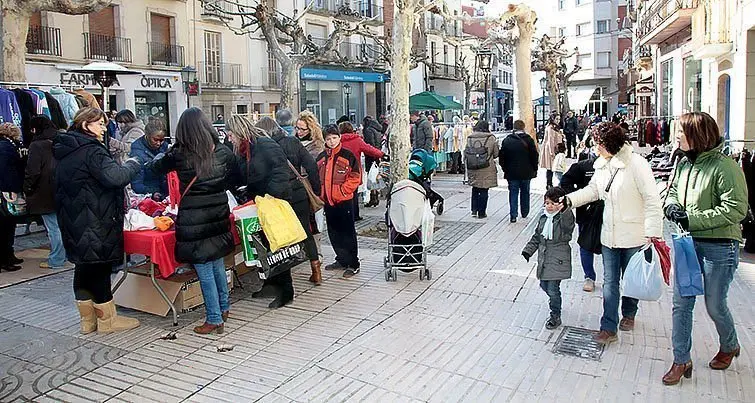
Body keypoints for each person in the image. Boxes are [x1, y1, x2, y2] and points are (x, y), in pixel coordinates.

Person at [662, 112, 747, 385]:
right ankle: (680, 359)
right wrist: (672, 206)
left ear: (698, 136)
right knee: (681, 303)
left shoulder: (726, 167)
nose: (676, 136)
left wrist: (692, 218)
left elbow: (736, 209)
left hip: (720, 247)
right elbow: (672, 191)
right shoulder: (683, 163)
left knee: (714, 304)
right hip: (688, 244)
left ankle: (730, 344)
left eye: (681, 133)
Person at [565, 122, 662, 344]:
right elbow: (593, 190)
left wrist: (652, 231)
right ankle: (608, 326)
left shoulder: (637, 164)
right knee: (610, 283)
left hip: (634, 235)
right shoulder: (602, 166)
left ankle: (629, 313)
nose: (595, 148)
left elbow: (652, 199)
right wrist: (569, 200)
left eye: (598, 144)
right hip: (609, 235)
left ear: (609, 143)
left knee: (630, 279)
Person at [54, 107, 141, 334]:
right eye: (100, 124)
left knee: (83, 269)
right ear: (86, 125)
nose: (104, 128)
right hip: (95, 219)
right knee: (100, 268)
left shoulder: (66, 149)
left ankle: (87, 321)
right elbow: (116, 177)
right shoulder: (92, 151)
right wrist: (133, 163)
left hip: (73, 219)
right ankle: (107, 321)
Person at [148, 108, 235, 333]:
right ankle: (224, 307)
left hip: (194, 220)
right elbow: (234, 176)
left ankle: (214, 318)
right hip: (218, 214)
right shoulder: (223, 151)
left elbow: (155, 169)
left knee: (204, 268)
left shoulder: (180, 154)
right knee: (216, 262)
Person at [226, 117, 297, 307]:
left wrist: (271, 197)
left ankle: (286, 290)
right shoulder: (243, 151)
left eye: (231, 135)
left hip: (273, 202)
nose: (230, 139)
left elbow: (281, 171)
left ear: (239, 131)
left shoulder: (264, 144)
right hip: (258, 203)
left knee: (278, 247)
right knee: (263, 247)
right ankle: (269, 284)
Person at [255, 116, 323, 285]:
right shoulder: (293, 141)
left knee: (280, 234)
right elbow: (311, 166)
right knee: (306, 232)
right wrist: (315, 190)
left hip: (279, 198)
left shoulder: (265, 147)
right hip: (298, 192)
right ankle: (316, 271)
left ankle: (285, 277)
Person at [522, 186, 575, 330]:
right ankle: (555, 303)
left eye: (553, 203)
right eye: (547, 203)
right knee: (544, 285)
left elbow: (568, 224)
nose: (550, 206)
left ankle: (555, 314)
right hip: (545, 258)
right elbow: (537, 236)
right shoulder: (544, 217)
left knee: (552, 289)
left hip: (558, 258)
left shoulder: (563, 218)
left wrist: (564, 209)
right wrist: (528, 251)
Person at [24, 115, 72, 270]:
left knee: (53, 227)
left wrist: (27, 188)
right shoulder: (62, 139)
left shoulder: (37, 145)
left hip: (45, 191)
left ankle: (56, 259)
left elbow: (33, 171)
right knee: (63, 225)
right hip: (64, 188)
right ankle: (65, 255)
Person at [317, 124, 362, 278]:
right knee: (334, 232)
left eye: (334, 138)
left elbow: (356, 176)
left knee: (347, 232)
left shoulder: (348, 155)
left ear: (339, 137)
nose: (331, 141)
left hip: (343, 201)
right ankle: (341, 259)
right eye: (328, 139)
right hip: (328, 201)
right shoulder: (321, 157)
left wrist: (343, 191)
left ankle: (353, 263)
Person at [559, 148, 599, 292]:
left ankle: (611, 279)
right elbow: (565, 181)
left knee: (610, 248)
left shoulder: (618, 167)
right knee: (585, 244)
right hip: (587, 214)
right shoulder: (584, 166)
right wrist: (576, 197)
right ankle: (589, 276)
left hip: (610, 215)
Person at [339, 121, 384, 221]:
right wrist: (382, 155)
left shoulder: (338, 141)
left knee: (342, 192)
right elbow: (370, 149)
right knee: (353, 194)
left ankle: (344, 214)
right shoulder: (357, 140)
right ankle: (355, 215)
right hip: (354, 170)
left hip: (340, 170)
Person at [499, 119, 538, 223]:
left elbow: (502, 157)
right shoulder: (529, 140)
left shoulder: (507, 140)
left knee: (513, 193)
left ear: (514, 128)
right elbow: (534, 155)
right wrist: (535, 168)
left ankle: (513, 215)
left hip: (511, 172)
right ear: (523, 127)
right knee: (525, 192)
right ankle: (525, 212)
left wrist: (505, 168)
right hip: (526, 172)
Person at [0, 123, 25, 272]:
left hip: (6, 189)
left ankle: (8, 255)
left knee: (7, 225)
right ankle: (6, 258)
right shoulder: (7, 147)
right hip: (6, 191)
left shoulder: (8, 146)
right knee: (7, 225)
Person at [466, 120, 499, 219]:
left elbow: (466, 151)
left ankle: (474, 210)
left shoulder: (470, 138)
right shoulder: (491, 138)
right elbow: (496, 154)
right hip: (486, 167)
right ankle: (482, 212)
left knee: (475, 187)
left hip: (472, 166)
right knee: (484, 189)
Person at [129, 120, 168, 195]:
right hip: (149, 193)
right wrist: (153, 193)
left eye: (162, 140)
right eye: (155, 140)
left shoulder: (165, 147)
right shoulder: (137, 153)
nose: (159, 143)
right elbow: (136, 184)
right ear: (147, 135)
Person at [362, 115, 384, 207]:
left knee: (371, 177)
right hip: (377, 153)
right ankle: (375, 196)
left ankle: (373, 197)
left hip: (370, 156)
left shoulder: (368, 130)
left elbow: (369, 144)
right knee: (375, 176)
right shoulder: (377, 129)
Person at [539, 114, 564, 188]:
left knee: (554, 167)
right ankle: (549, 184)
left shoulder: (555, 127)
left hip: (557, 149)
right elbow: (550, 140)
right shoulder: (550, 127)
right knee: (550, 168)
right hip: (552, 149)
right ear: (552, 119)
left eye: (559, 119)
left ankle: (551, 184)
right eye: (556, 119)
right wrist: (551, 152)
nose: (558, 121)